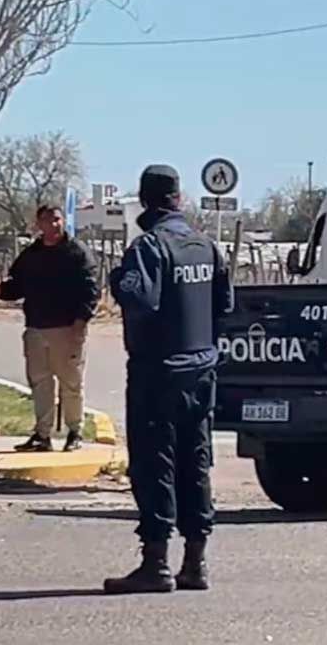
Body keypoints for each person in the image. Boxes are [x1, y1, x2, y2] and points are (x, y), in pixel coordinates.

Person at [103, 164, 233, 594]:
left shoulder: (150, 246)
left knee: (154, 463)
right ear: (178, 198)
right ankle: (195, 562)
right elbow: (225, 305)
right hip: (201, 370)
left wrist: (117, 279)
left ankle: (155, 562)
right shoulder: (206, 246)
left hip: (159, 372)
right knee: (195, 462)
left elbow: (138, 297)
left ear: (145, 200)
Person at [0, 204, 100, 453]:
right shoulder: (31, 255)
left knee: (71, 383)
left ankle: (74, 431)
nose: (54, 224)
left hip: (67, 329)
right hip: (36, 329)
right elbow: (16, 286)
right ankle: (42, 434)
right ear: (38, 224)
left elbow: (91, 291)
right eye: (48, 220)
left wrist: (81, 323)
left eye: (57, 219)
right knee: (40, 383)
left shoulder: (77, 252)